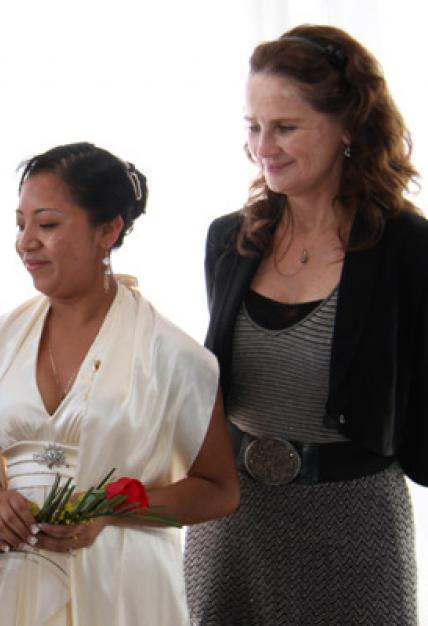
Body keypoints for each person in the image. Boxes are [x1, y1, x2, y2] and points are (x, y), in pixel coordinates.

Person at [183, 24, 428, 624]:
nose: (264, 145)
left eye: (285, 127)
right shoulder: (229, 240)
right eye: (253, 126)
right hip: (233, 524)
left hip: (353, 524)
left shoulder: (407, 247)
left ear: (348, 128)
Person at [0, 142, 240, 625]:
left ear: (107, 230)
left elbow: (219, 490)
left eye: (46, 224)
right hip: (11, 585)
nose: (26, 241)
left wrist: (111, 509)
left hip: (124, 588)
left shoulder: (172, 353)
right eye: (20, 223)